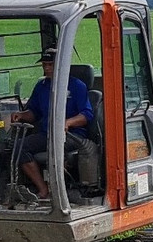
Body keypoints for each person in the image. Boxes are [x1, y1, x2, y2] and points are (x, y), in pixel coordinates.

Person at [8, 48, 98, 200]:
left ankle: (61, 192)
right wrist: (21, 115)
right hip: (47, 134)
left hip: (71, 135)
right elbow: (34, 113)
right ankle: (43, 190)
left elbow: (86, 115)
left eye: (50, 65)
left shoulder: (77, 86)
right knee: (19, 147)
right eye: (44, 65)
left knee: (56, 149)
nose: (46, 68)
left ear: (61, 66)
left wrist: (67, 122)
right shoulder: (41, 87)